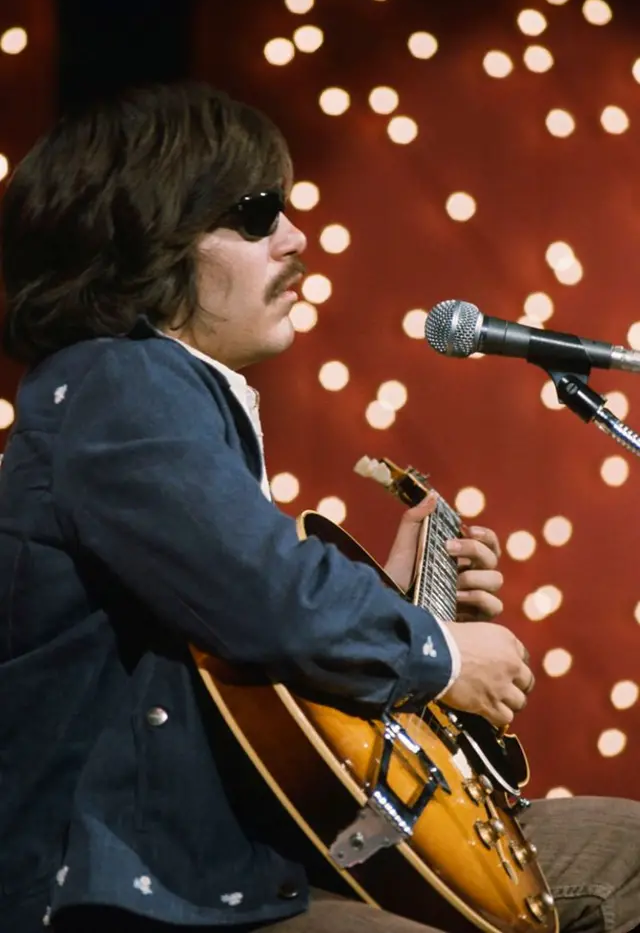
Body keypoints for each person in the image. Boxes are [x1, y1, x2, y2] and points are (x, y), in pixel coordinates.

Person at [0, 82, 638, 933]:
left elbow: (233, 627)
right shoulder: (122, 382)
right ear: (146, 238)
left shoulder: (160, 391)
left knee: (627, 847)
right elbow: (267, 600)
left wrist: (397, 597)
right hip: (140, 889)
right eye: (257, 213)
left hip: (240, 860)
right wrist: (440, 651)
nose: (297, 237)